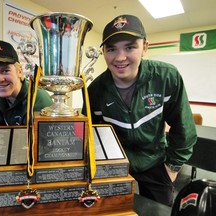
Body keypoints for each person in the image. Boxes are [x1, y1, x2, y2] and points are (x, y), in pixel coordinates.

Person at [82, 15, 197, 206]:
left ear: (144, 47)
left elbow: (183, 125)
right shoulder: (94, 91)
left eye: (130, 47)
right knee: (112, 210)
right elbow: (91, 136)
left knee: (160, 211)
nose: (120, 58)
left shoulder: (166, 77)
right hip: (116, 164)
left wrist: (173, 166)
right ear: (103, 52)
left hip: (156, 162)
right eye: (111, 49)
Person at [0, 40, 53, 126]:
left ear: (19, 71)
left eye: (5, 71)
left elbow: (44, 137)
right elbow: (1, 129)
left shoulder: (38, 99)